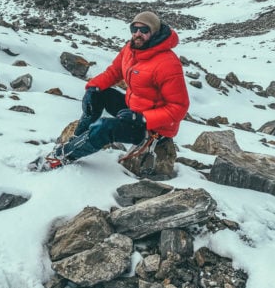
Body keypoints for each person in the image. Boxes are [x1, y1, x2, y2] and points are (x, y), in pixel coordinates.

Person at [31, 11, 190, 171]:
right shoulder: (131, 48)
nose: (138, 34)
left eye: (144, 30)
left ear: (154, 32)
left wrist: (142, 118)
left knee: (104, 127)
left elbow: (179, 107)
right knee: (97, 95)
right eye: (134, 29)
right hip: (133, 110)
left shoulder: (167, 64)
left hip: (152, 127)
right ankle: (77, 139)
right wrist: (93, 87)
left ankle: (62, 156)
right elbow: (115, 71)